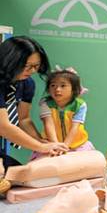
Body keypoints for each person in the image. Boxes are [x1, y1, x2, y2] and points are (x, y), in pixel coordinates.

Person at [0, 36, 68, 169]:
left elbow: (24, 119)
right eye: (27, 66)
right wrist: (41, 147)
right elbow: (3, 126)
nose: (32, 71)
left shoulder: (27, 83)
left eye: (36, 66)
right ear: (9, 61)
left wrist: (41, 142)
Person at [32, 68, 95, 160]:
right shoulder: (45, 103)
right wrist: (55, 145)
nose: (57, 89)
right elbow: (48, 124)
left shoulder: (80, 105)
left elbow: (74, 128)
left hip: (77, 144)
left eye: (63, 85)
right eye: (53, 85)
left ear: (73, 89)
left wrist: (65, 146)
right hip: (51, 143)